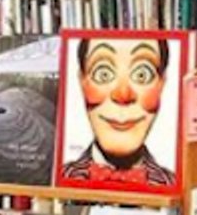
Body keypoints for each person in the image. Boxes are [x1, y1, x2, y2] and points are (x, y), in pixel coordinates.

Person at [61, 37, 176, 187]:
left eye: (143, 74)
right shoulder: (54, 180)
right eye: (103, 74)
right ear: (82, 80)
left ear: (162, 83)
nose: (123, 94)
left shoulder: (177, 186)